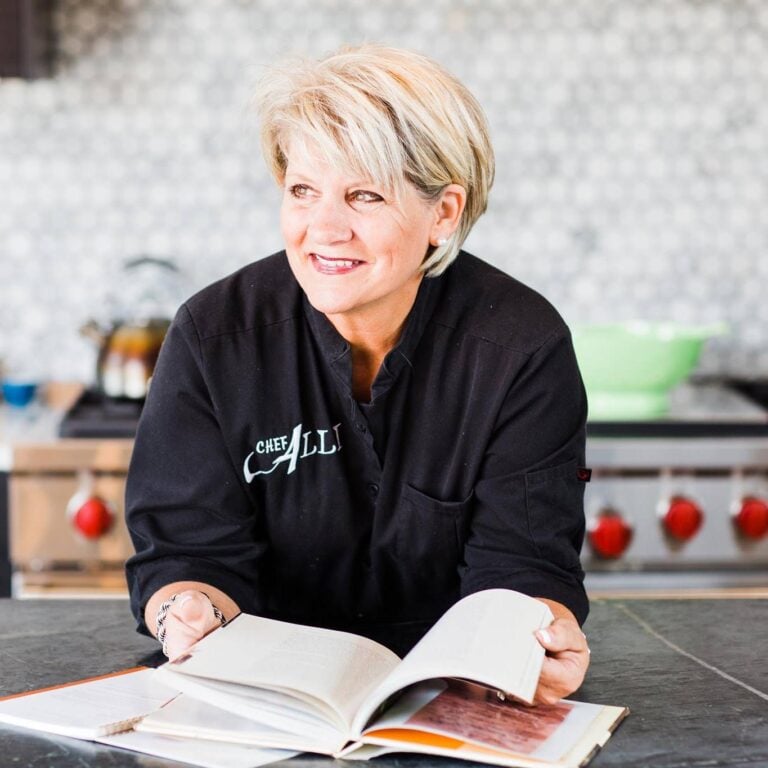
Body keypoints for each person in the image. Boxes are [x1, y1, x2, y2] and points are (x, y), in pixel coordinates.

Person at [125, 44, 590, 704]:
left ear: (444, 213)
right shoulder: (213, 334)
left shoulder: (521, 346)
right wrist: (186, 610)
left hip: (453, 696)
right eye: (303, 191)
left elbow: (523, 562)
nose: (323, 229)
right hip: (261, 700)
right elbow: (187, 557)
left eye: (364, 195)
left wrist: (539, 637)